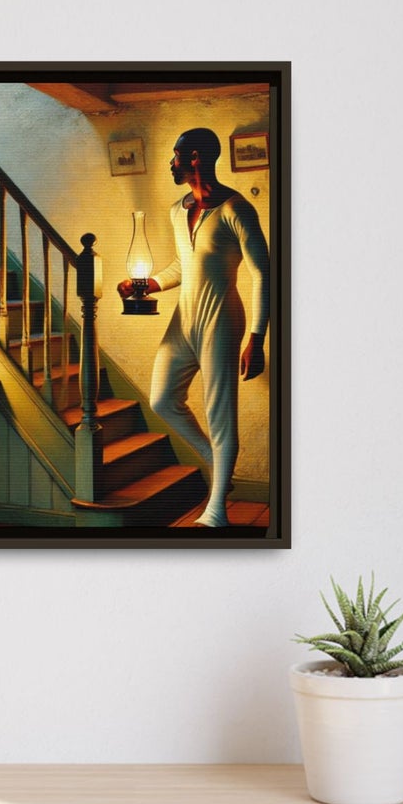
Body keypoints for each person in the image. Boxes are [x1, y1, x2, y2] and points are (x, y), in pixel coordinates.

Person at [118, 127, 270, 527]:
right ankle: (215, 464)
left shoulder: (237, 210)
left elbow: (264, 274)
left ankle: (216, 512)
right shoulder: (177, 209)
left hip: (222, 320)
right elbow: (183, 266)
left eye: (176, 155)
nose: (172, 162)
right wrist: (149, 284)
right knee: (163, 399)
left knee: (221, 415)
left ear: (196, 158)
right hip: (183, 320)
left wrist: (257, 336)